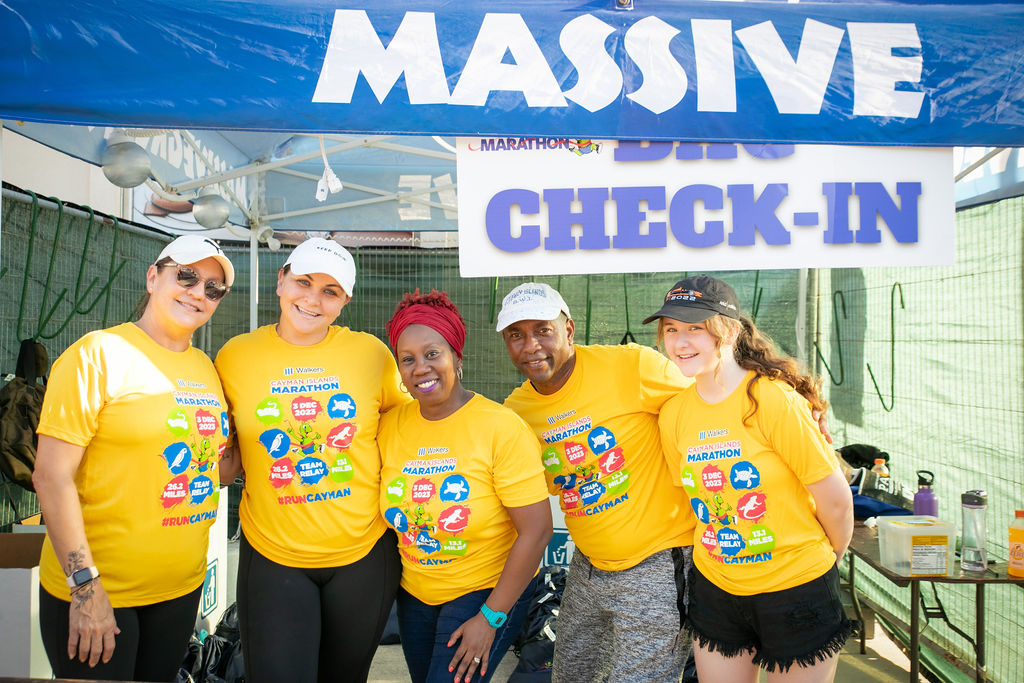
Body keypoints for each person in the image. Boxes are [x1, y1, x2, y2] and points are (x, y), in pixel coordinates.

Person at [32, 234, 234, 681]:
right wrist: (85, 587)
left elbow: (210, 470)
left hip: (179, 591)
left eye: (213, 288)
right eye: (186, 275)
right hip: (100, 593)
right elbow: (50, 477)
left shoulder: (206, 369)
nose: (198, 292)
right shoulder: (97, 355)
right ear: (152, 277)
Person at [214, 237, 405, 683]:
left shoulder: (372, 355)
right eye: (303, 282)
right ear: (280, 281)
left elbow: (405, 434)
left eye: (330, 291)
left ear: (345, 301)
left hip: (363, 556)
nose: (312, 300)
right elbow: (227, 451)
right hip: (273, 555)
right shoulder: (235, 356)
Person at [647, 274, 854, 682]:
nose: (680, 342)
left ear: (727, 331)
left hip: (796, 587)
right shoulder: (673, 414)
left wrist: (823, 566)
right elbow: (698, 501)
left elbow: (836, 501)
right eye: (671, 329)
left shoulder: (771, 399)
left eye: (695, 328)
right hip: (716, 588)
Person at [498, 282, 695, 683]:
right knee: (569, 675)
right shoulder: (516, 412)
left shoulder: (633, 367)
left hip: (656, 563)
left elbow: (711, 405)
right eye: (516, 335)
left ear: (568, 330)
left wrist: (789, 403)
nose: (530, 345)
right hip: (587, 566)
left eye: (543, 330)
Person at [379, 289, 552, 683]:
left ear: (457, 357)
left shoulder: (500, 428)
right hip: (416, 596)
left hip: (484, 593)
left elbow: (537, 530)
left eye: (432, 354)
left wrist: (490, 617)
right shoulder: (388, 427)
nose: (420, 367)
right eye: (407, 359)